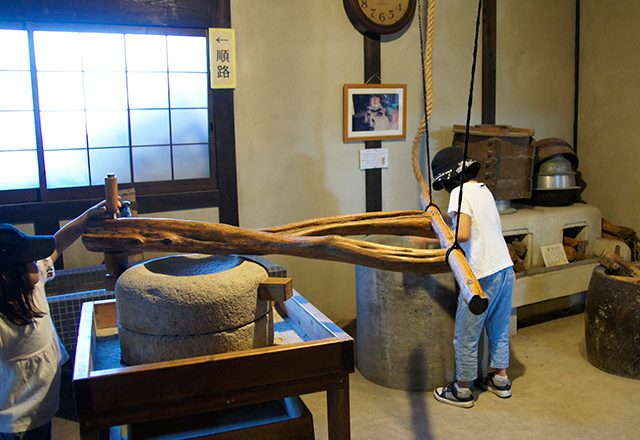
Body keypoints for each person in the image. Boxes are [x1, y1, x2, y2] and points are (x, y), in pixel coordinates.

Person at [411, 146, 514, 408]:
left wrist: (423, 238)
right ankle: (500, 379)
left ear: (446, 180)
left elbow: (463, 233)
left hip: (481, 273)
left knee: (466, 335)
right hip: (504, 268)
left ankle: (462, 389)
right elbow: (464, 223)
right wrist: (434, 214)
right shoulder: (482, 190)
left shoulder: (459, 193)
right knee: (499, 329)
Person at [1, 201, 112, 439]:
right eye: (30, 260)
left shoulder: (34, 280)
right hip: (16, 419)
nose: (38, 262)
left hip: (42, 405)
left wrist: (87, 217)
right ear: (7, 275)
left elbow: (58, 243)